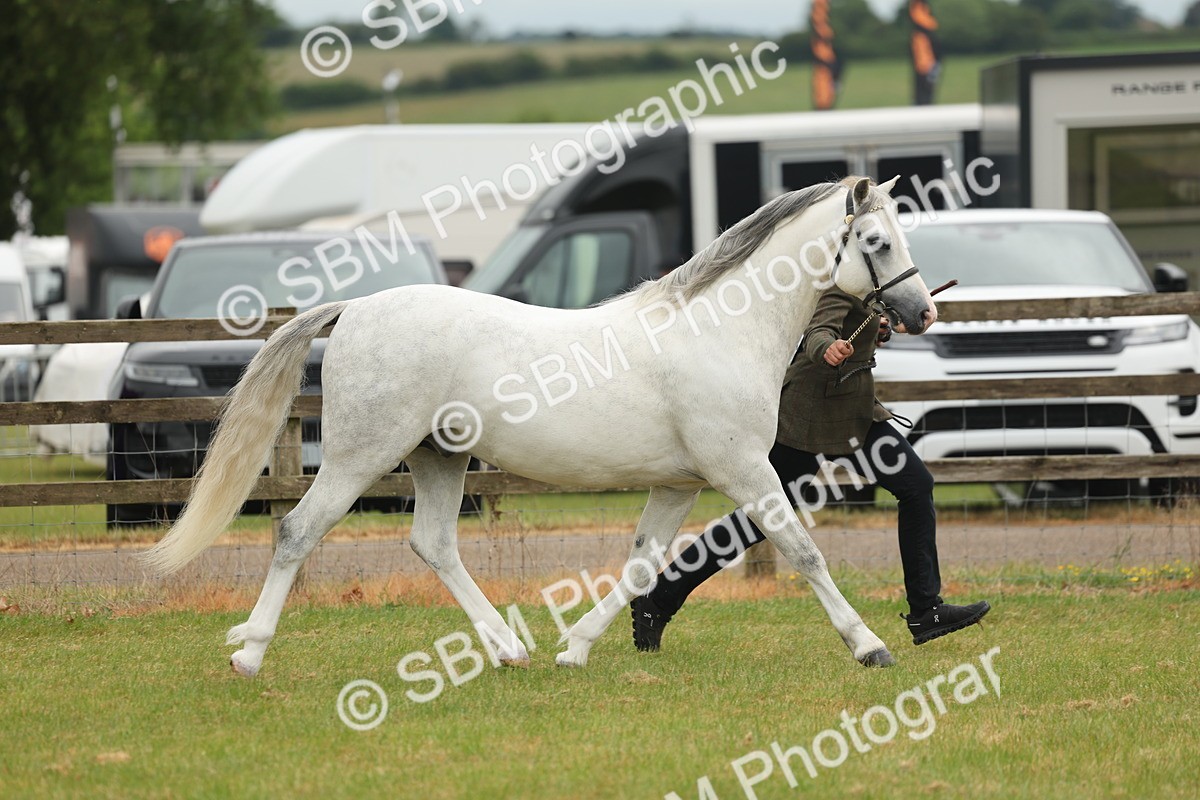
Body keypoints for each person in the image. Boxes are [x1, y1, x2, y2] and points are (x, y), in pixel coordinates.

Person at [631, 288, 990, 652]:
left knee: (914, 486)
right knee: (760, 519)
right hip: (806, 418)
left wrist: (877, 329)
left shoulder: (870, 289)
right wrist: (826, 348)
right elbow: (820, 330)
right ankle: (659, 598)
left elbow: (855, 327)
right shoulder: (840, 285)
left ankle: (926, 609)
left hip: (853, 415)